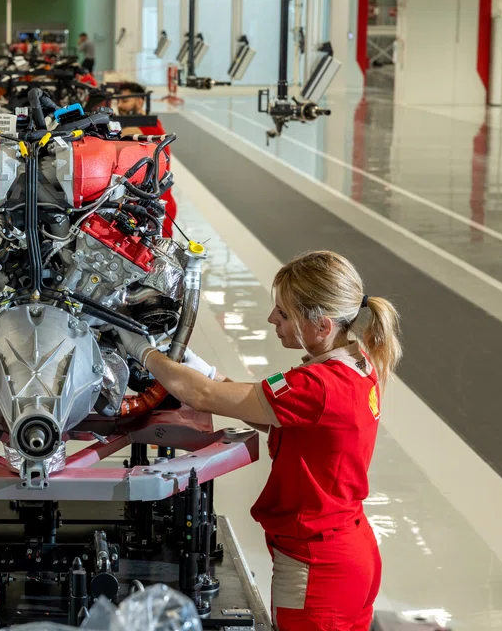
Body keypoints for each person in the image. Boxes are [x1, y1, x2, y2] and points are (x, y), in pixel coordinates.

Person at [116, 250, 402, 631]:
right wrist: (191, 362)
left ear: (322, 324)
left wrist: (142, 350)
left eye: (283, 313)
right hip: (348, 550)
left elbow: (202, 397)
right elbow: (253, 405)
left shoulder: (318, 387)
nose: (272, 320)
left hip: (317, 567)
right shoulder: (353, 363)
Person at [114, 81, 177, 238]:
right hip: (145, 206)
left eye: (125, 101)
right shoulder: (148, 126)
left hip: (153, 208)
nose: (120, 105)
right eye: (118, 101)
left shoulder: (143, 129)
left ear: (140, 101)